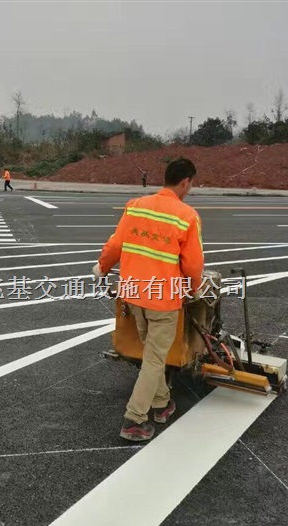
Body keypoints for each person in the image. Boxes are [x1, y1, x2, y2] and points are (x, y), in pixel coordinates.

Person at [92, 158, 204, 442]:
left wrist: (102, 267)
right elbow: (193, 265)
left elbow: (115, 245)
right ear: (185, 182)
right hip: (163, 300)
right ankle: (134, 420)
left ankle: (162, 404)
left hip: (133, 295)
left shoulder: (136, 206)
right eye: (191, 184)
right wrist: (194, 289)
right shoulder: (187, 216)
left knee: (150, 355)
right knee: (155, 359)